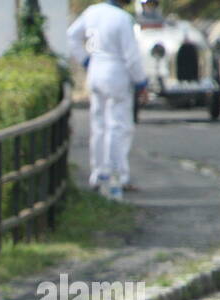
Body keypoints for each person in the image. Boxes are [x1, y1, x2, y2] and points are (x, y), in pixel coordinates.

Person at [67, 0, 149, 200]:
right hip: (116, 72)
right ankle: (117, 175)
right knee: (118, 126)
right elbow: (131, 55)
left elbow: (72, 36)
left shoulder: (92, 12)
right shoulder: (122, 18)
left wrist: (86, 59)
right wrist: (141, 82)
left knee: (99, 125)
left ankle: (98, 173)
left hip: (95, 69)